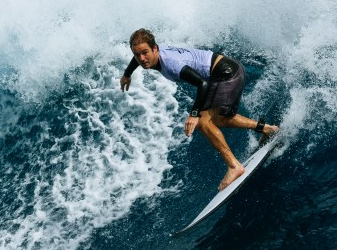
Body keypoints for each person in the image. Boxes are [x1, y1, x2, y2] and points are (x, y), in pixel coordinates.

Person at [120, 28, 279, 191]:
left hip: (226, 73)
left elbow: (202, 84)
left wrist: (194, 114)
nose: (142, 58)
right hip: (226, 69)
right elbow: (138, 57)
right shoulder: (151, 55)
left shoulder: (171, 64)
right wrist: (127, 74)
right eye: (137, 54)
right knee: (219, 118)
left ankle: (234, 166)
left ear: (155, 48)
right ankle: (268, 129)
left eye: (145, 52)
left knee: (203, 122)